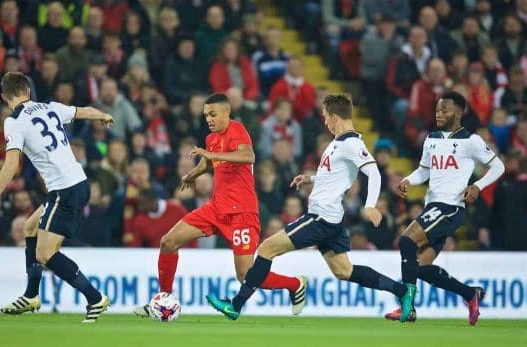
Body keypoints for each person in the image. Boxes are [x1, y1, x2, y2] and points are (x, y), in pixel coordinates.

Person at [206, 94, 408, 320]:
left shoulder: (352, 143)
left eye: (325, 118)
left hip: (320, 219)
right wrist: (310, 179)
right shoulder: (338, 143)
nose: (325, 122)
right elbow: (334, 176)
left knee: (266, 249)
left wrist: (370, 205)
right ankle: (403, 291)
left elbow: (374, 172)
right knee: (344, 271)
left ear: (334, 117)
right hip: (329, 219)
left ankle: (235, 305)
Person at [133, 93, 306, 317]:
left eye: (213, 114)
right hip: (216, 208)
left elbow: (248, 156)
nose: (209, 119)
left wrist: (209, 155)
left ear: (227, 112)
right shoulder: (212, 138)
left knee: (245, 275)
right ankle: (163, 300)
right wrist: (193, 174)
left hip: (242, 213)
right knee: (168, 242)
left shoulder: (237, 130)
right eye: (206, 115)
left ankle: (295, 284)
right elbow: (209, 160)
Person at [0, 72, 114, 323]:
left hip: (65, 190)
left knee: (45, 254)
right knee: (30, 227)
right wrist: (103, 115)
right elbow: (85, 111)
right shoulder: (50, 107)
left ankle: (95, 298)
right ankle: (31, 295)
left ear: (4, 97)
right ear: (28, 91)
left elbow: (11, 164)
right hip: (77, 183)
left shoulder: (14, 121)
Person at [387, 91, 505, 325]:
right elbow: (424, 170)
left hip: (450, 207)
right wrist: (409, 179)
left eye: (444, 110)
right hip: (433, 206)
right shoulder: (432, 138)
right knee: (418, 267)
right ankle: (470, 294)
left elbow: (498, 166)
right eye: (438, 109)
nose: (439, 113)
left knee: (406, 241)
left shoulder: (471, 141)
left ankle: (407, 307)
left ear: (459, 113)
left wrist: (478, 186)